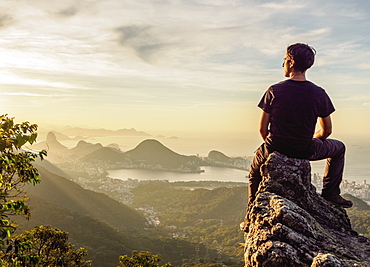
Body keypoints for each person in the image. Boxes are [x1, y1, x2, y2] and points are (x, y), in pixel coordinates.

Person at [248, 43, 352, 208]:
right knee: (339, 148)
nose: (282, 64)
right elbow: (327, 131)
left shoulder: (274, 90)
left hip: (274, 147)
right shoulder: (319, 93)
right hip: (304, 149)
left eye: (284, 60)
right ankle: (331, 194)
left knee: (254, 173)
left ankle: (254, 204)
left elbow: (262, 129)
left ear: (291, 62)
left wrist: (274, 148)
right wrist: (309, 139)